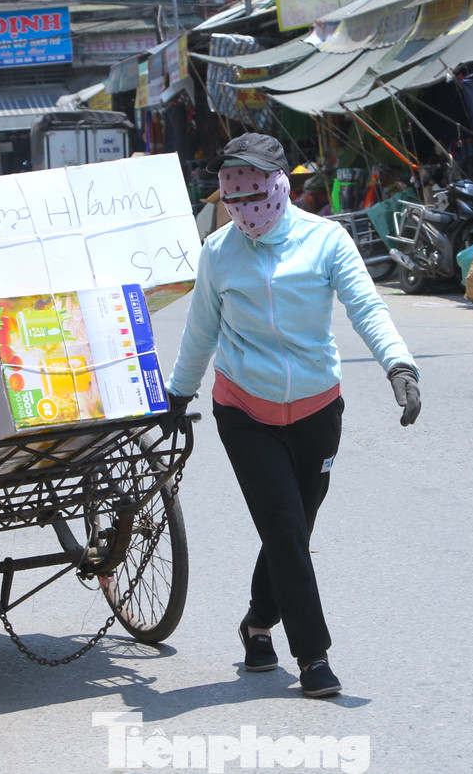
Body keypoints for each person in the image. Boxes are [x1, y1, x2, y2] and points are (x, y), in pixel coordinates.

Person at [163, 132, 420, 698]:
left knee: (293, 531)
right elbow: (201, 329)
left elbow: (366, 305)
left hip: (316, 410)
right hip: (244, 411)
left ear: (281, 186)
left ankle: (256, 624)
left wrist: (399, 366)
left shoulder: (326, 240)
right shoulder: (218, 252)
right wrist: (178, 395)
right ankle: (313, 657)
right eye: (235, 200)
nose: (247, 209)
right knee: (283, 527)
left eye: (256, 195)